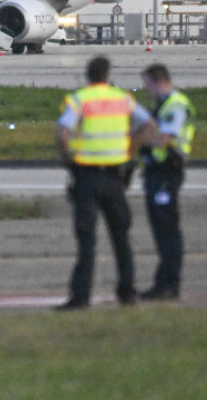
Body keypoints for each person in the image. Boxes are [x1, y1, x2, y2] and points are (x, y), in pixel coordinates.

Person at [55, 56, 152, 310]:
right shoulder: (122, 99)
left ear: (88, 76)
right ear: (107, 75)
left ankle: (80, 297)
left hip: (86, 175)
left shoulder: (79, 100)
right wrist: (130, 149)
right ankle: (127, 292)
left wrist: (70, 161)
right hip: (115, 177)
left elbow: (62, 131)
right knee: (121, 237)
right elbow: (148, 124)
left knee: (86, 239)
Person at [138, 63, 195, 301]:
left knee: (167, 229)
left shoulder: (175, 105)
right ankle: (164, 283)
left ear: (157, 81)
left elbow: (164, 140)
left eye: (148, 85)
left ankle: (169, 284)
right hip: (157, 173)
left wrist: (142, 139)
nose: (147, 90)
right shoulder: (162, 105)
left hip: (167, 173)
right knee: (161, 229)